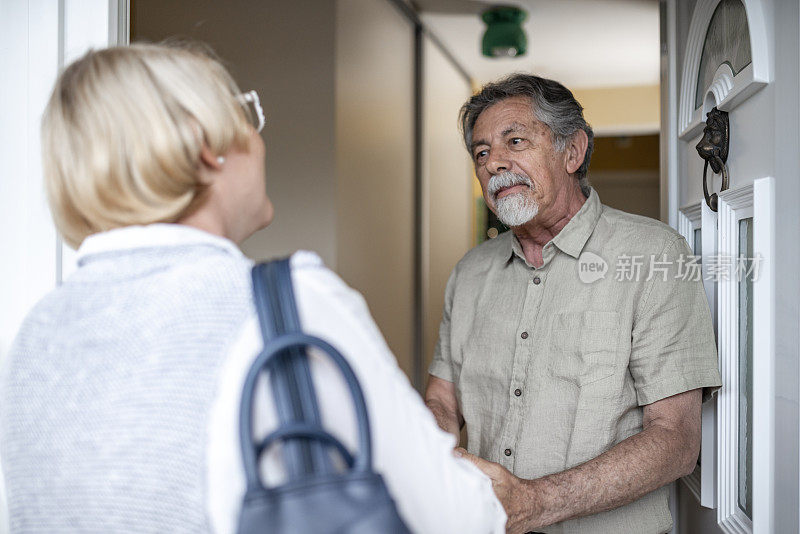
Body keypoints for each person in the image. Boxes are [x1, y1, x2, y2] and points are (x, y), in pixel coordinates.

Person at [0, 42, 506, 533]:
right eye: (246, 115)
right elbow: (453, 516)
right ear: (204, 147)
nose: (260, 139)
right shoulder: (288, 307)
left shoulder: (36, 332)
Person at [425, 74, 722, 534]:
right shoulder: (469, 273)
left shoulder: (655, 255)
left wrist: (536, 502)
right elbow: (443, 397)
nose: (494, 164)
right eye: (481, 153)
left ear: (572, 151)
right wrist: (431, 450)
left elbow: (677, 440)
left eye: (515, 141)